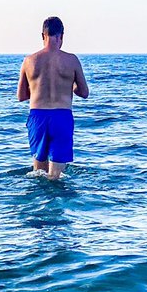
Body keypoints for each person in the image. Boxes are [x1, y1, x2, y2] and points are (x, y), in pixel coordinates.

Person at [16, 16, 90, 178]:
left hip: (38, 116)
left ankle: (39, 202)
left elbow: (21, 96)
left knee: (38, 172)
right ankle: (58, 202)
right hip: (62, 116)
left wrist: (37, 89)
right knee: (56, 175)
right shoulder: (72, 60)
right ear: (62, 36)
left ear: (43, 35)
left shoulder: (29, 61)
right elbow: (84, 93)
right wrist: (68, 85)